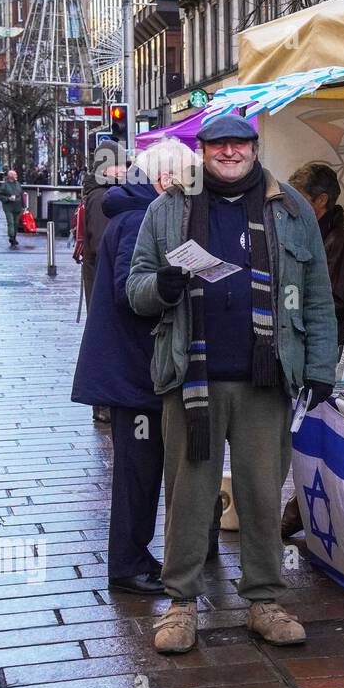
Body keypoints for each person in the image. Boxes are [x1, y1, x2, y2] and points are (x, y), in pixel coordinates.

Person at [128, 114, 338, 655]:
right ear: (202, 150)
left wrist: (321, 365)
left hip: (267, 377)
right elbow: (135, 290)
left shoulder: (291, 208)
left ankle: (265, 601)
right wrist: (162, 286)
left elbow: (316, 293)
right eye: (217, 144)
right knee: (188, 497)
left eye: (238, 144)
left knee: (263, 496)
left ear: (254, 147)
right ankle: (180, 605)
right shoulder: (167, 208)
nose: (228, 152)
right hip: (190, 379)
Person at [71, 140, 200, 594]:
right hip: (135, 371)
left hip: (134, 367)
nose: (192, 191)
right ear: (166, 180)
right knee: (138, 471)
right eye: (188, 181)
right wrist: (170, 285)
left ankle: (135, 556)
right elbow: (132, 293)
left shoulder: (134, 211)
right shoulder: (137, 219)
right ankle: (128, 564)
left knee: (141, 467)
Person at [279, 162, 344, 539]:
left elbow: (329, 302)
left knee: (316, 432)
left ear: (322, 201)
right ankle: (298, 509)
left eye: (301, 199)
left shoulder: (341, 242)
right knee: (309, 435)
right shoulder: (312, 232)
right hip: (312, 349)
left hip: (327, 353)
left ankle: (298, 510)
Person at [82, 142, 129, 424]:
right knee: (105, 341)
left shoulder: (102, 192)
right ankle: (103, 405)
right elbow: (101, 244)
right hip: (103, 279)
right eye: (121, 165)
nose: (126, 170)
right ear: (106, 168)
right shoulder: (102, 197)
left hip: (101, 277)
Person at [0, 169, 22, 248]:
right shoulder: (5, 185)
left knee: (16, 223)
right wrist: (8, 199)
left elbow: (21, 194)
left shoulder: (18, 184)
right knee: (10, 222)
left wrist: (24, 206)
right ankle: (11, 237)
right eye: (15, 175)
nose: (16, 176)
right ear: (10, 176)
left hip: (17, 206)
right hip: (8, 207)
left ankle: (14, 237)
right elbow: (0, 195)